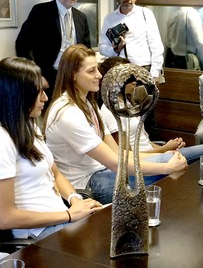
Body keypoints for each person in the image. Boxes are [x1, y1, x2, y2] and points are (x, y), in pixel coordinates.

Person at [43, 44, 187, 204]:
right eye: (91, 71)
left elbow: (118, 154)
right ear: (73, 75)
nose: (99, 75)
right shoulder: (67, 113)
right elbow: (114, 163)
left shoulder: (89, 105)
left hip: (102, 171)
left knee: (181, 158)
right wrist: (167, 167)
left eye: (97, 69)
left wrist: (163, 155)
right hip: (88, 183)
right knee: (182, 161)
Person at [0, 57, 102, 240]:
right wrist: (69, 215)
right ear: (18, 95)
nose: (45, 98)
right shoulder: (3, 140)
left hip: (60, 216)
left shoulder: (28, 125)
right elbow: (5, 218)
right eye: (37, 92)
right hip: (38, 232)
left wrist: (74, 199)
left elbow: (55, 173)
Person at [98, 58, 203, 160]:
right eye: (128, 78)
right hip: (142, 161)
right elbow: (126, 156)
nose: (135, 81)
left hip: (154, 154)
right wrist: (164, 150)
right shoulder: (111, 110)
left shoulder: (130, 103)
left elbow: (146, 143)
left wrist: (169, 146)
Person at [15, 0, 91, 105]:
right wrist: (36, 75)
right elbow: (22, 45)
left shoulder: (82, 17)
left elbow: (86, 50)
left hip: (75, 77)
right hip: (49, 78)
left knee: (74, 113)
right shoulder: (41, 11)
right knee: (52, 116)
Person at [98, 0, 164, 83]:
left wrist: (155, 73)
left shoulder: (145, 14)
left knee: (142, 98)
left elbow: (156, 46)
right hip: (118, 71)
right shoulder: (109, 18)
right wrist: (114, 50)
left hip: (143, 69)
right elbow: (102, 47)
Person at [165, 6, 203, 71]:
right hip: (188, 62)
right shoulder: (192, 13)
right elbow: (200, 42)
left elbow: (168, 42)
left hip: (173, 59)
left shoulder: (174, 14)